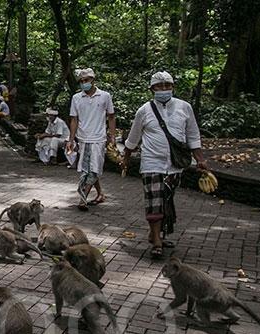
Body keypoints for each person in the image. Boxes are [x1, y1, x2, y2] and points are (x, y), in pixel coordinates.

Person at [122, 71, 208, 259]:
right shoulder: (144, 110)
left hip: (175, 165)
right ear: (152, 89)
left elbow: (193, 135)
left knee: (166, 200)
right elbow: (133, 137)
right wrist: (126, 158)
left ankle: (156, 234)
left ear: (172, 87)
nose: (163, 89)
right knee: (154, 201)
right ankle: (157, 244)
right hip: (151, 162)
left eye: (167, 86)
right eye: (159, 87)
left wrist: (200, 159)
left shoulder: (184, 108)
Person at [66, 68, 115, 211]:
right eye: (81, 81)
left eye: (86, 80)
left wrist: (112, 137)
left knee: (92, 169)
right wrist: (71, 139)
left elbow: (111, 116)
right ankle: (100, 194)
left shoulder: (105, 96)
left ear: (93, 80)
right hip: (83, 138)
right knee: (90, 168)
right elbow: (74, 120)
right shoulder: (76, 98)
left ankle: (82, 198)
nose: (84, 83)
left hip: (99, 138)